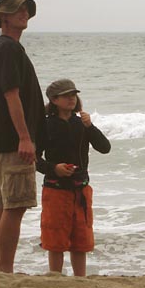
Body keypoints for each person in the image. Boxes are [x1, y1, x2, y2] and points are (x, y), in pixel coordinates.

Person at [0, 0, 44, 273]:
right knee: (14, 207)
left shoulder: (6, 47)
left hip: (3, 140)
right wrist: (24, 136)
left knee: (2, 204)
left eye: (25, 9)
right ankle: (5, 272)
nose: (24, 13)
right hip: (13, 141)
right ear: (3, 18)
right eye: (17, 10)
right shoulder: (7, 48)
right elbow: (11, 95)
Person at [37, 79, 111, 276]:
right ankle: (55, 278)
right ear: (54, 99)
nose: (71, 98)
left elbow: (105, 148)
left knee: (81, 238)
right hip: (55, 188)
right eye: (66, 95)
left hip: (81, 188)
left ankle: (81, 279)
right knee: (55, 239)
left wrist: (90, 126)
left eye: (74, 95)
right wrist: (54, 168)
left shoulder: (82, 123)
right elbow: (33, 158)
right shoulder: (45, 125)